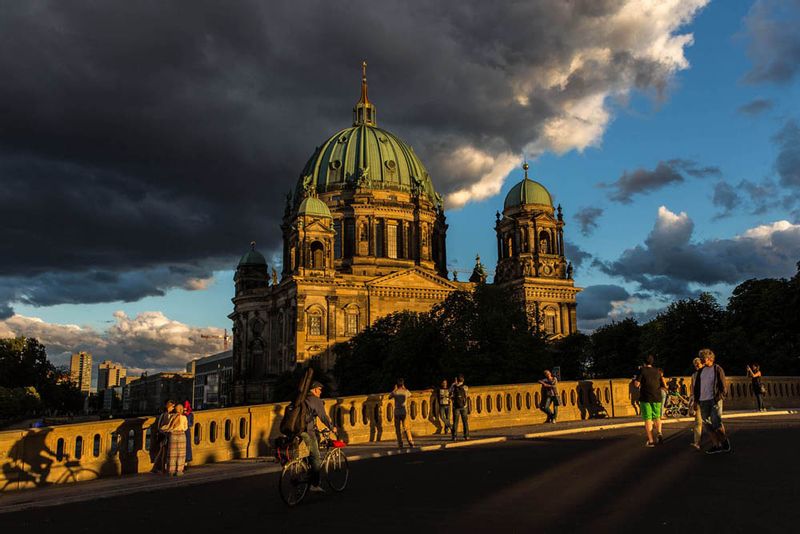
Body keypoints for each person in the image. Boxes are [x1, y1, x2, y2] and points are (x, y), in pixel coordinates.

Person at [693, 348, 732, 454]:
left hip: (714, 400)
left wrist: (718, 398)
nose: (701, 359)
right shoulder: (700, 371)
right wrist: (696, 401)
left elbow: (723, 387)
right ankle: (716, 445)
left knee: (717, 424)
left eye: (703, 357)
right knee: (707, 425)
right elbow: (697, 387)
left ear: (709, 358)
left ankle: (724, 441)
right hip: (703, 401)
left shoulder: (717, 369)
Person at [302, 381, 337, 492]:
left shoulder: (304, 398)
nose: (321, 392)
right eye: (320, 390)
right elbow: (323, 417)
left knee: (309, 454)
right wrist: (332, 427)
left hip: (298, 430)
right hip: (307, 431)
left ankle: (305, 469)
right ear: (315, 389)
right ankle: (315, 485)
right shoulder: (315, 400)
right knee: (316, 457)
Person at [634, 355, 663, 447]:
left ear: (644, 362)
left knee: (648, 419)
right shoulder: (658, 371)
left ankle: (651, 441)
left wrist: (635, 379)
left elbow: (637, 384)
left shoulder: (642, 370)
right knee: (657, 417)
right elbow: (662, 384)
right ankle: (659, 432)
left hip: (646, 397)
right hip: (657, 396)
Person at [161, 402, 189, 476]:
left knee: (172, 454)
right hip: (181, 435)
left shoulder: (172, 417)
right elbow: (186, 428)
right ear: (182, 409)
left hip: (173, 435)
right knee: (181, 454)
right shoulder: (184, 418)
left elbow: (168, 426)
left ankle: (171, 471)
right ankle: (179, 470)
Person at [389, 378, 415, 448]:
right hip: (404, 412)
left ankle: (400, 443)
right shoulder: (406, 391)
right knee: (406, 428)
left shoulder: (395, 392)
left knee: (398, 429)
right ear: (402, 384)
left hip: (397, 412)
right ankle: (410, 441)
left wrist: (394, 389)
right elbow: (411, 395)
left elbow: (389, 397)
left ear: (397, 385)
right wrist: (404, 388)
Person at [150, 399, 175, 473]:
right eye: (173, 406)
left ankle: (156, 468)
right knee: (163, 452)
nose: (173, 408)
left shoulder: (163, 414)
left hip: (161, 435)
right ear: (169, 406)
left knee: (161, 452)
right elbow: (165, 426)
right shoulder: (166, 415)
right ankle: (160, 468)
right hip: (164, 436)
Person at [689, 357, 704, 450]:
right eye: (695, 364)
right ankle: (697, 443)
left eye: (698, 363)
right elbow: (692, 389)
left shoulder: (706, 374)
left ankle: (719, 440)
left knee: (709, 422)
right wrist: (692, 399)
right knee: (698, 422)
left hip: (706, 400)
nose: (697, 366)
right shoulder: (694, 375)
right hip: (698, 400)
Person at [450, 374, 469, 441]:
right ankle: (466, 436)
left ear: (457, 379)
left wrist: (454, 384)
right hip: (464, 406)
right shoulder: (465, 387)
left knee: (455, 422)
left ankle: (454, 436)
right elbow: (466, 395)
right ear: (463, 380)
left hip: (455, 406)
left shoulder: (453, 386)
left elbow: (450, 393)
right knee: (465, 421)